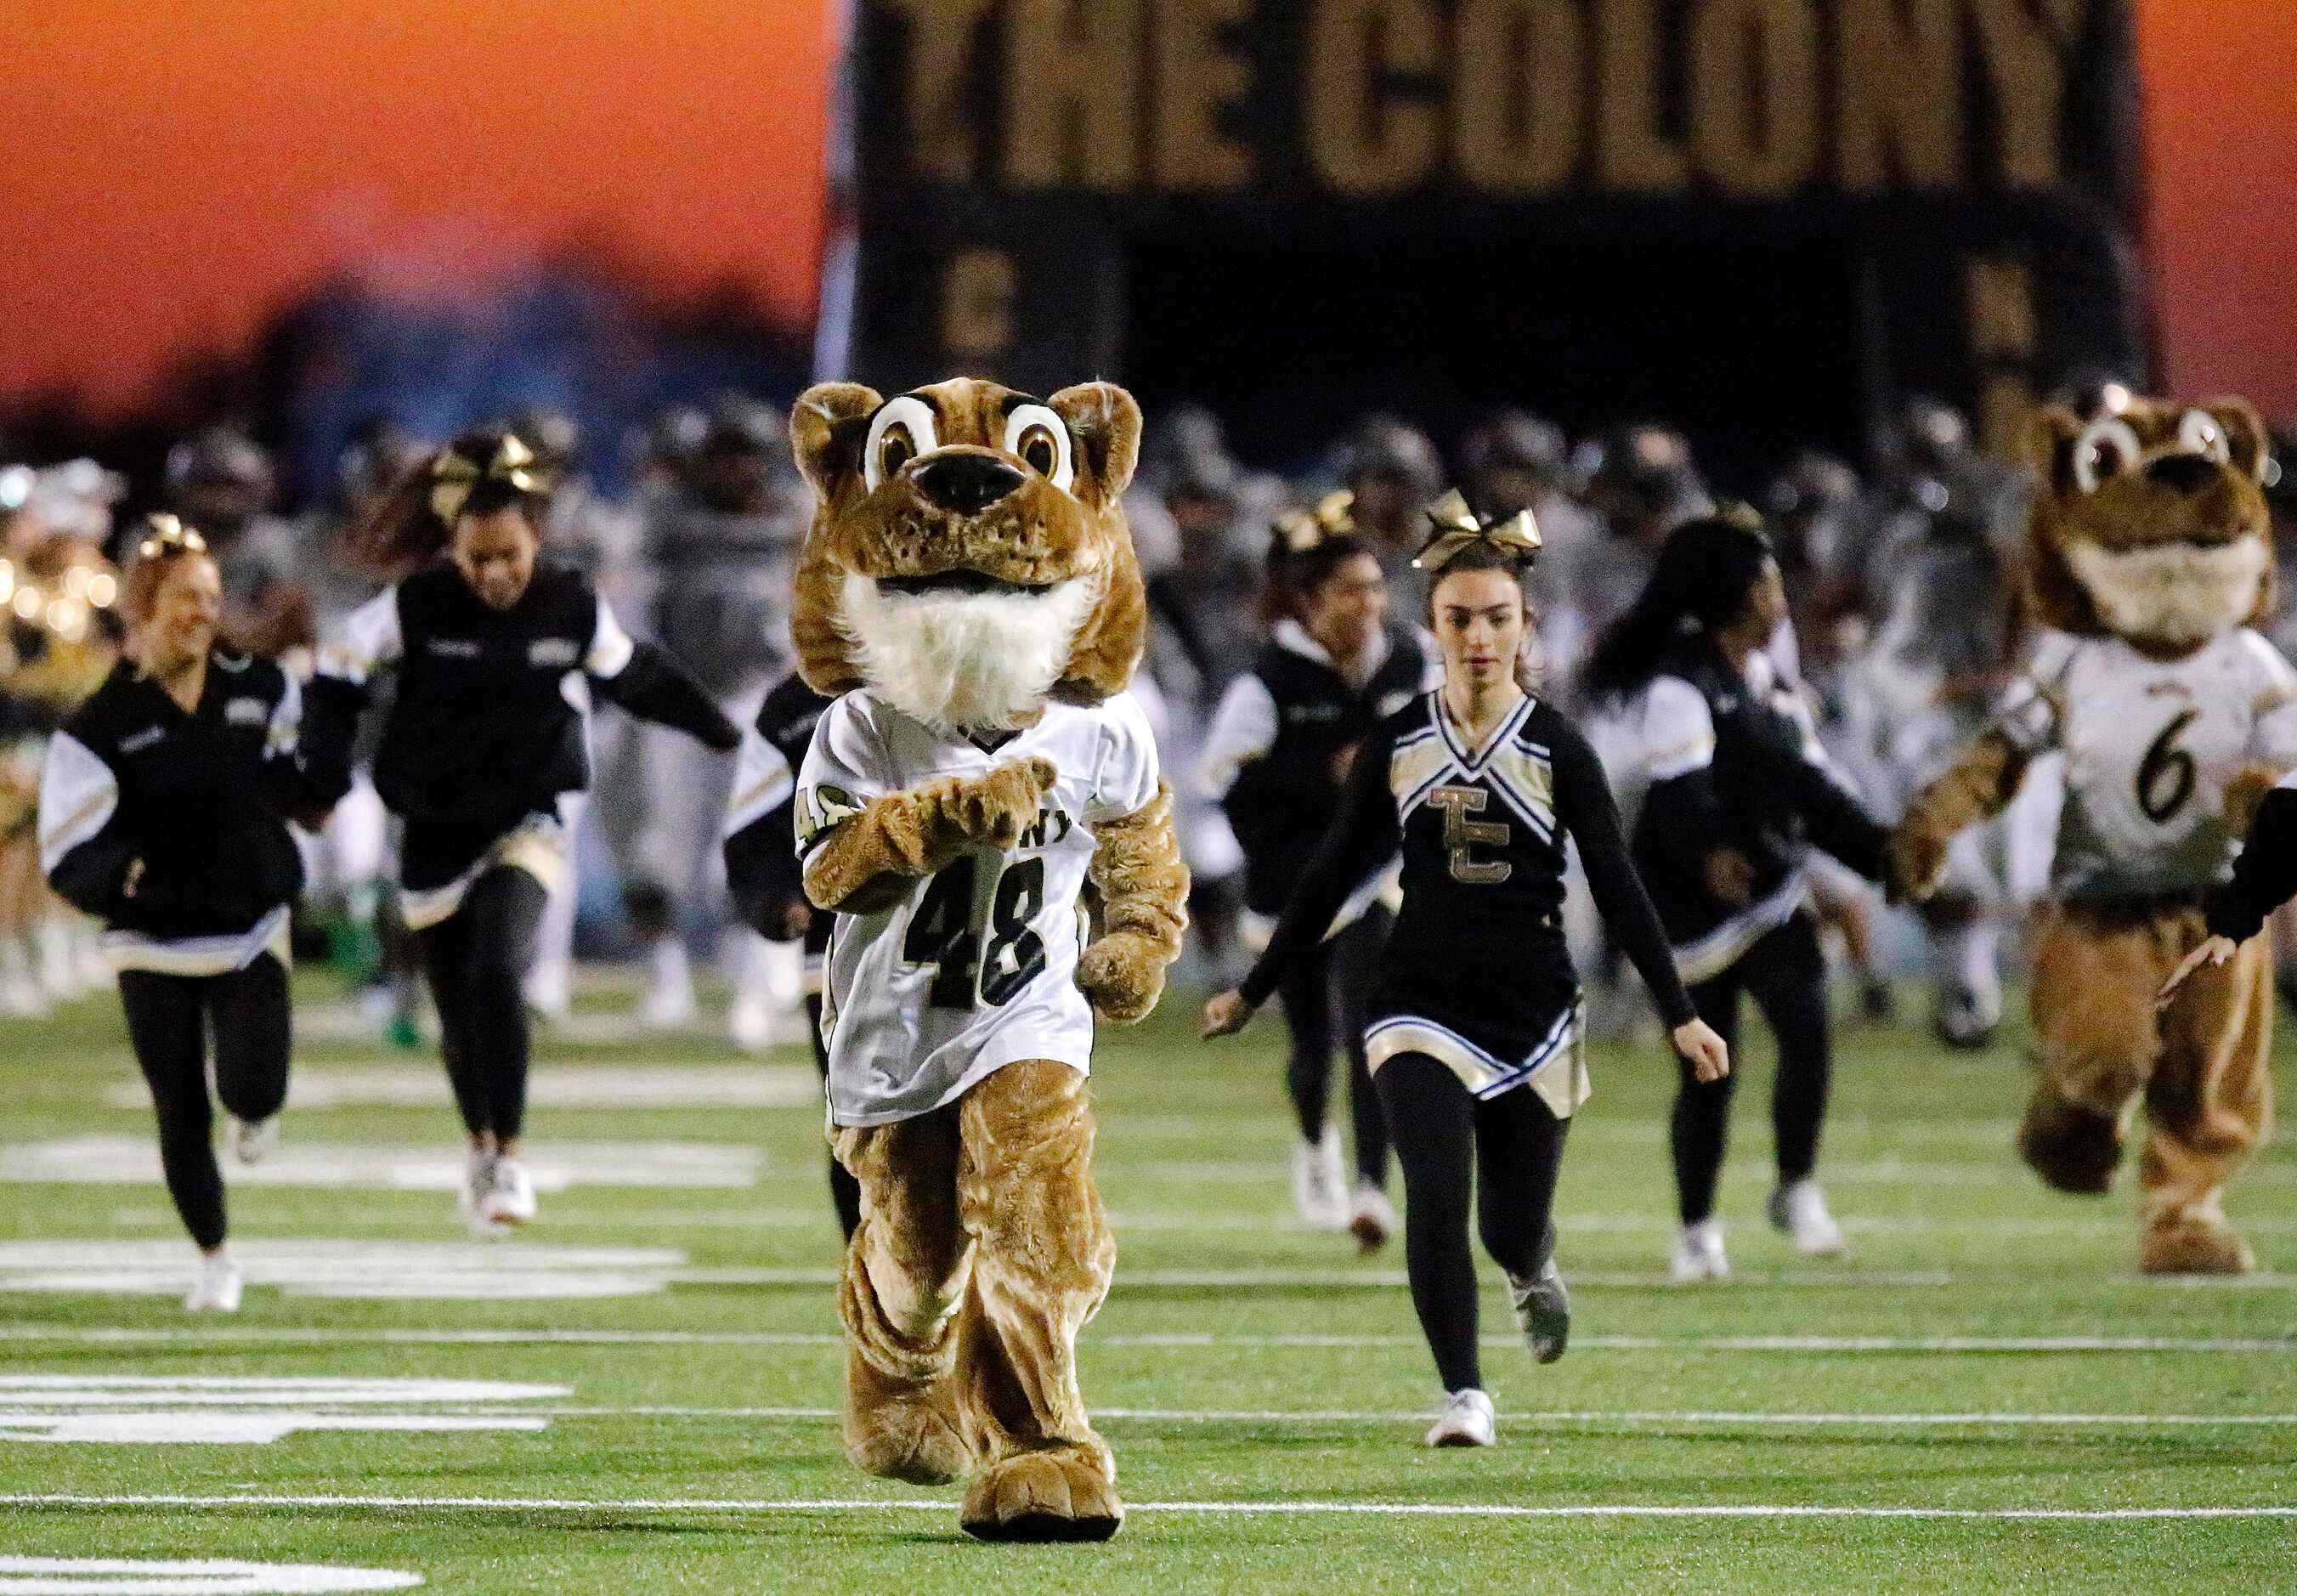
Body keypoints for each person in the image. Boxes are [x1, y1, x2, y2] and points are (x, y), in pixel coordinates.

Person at [1202, 504, 1728, 1449]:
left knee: (1511, 1226)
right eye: (1458, 618)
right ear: (1434, 627)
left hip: (1533, 1007)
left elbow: (1618, 883)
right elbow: (1328, 873)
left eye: (1497, 617)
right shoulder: (1401, 741)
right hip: (1416, 1004)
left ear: (1527, 627)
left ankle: (1533, 1271)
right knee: (1435, 1191)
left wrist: (1680, 1012)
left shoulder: (1558, 747)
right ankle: (1464, 1394)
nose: (1479, 637)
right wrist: (1257, 985)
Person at [306, 429, 738, 1236]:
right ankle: (479, 1149)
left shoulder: (570, 603)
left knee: (498, 973)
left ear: (535, 538)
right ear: (453, 551)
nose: (495, 575)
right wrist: (323, 773)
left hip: (527, 815)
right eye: (478, 560)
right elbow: (334, 677)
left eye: (509, 555)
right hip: (432, 824)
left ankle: (509, 1155)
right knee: (457, 1011)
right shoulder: (412, 607)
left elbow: (635, 671)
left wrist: (715, 728)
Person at [1585, 512, 1892, 1283]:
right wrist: (1713, 849)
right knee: (1707, 1067)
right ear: (1735, 595)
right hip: (1686, 902)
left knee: (1807, 1027)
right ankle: (1695, 1229)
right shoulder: (1678, 686)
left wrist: (1889, 854)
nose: (1777, 597)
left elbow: (1815, 788)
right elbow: (1681, 796)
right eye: (1766, 582)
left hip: (1767, 889)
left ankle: (1795, 1187)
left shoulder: (1769, 680)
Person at [38, 516, 327, 1312]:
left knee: (253, 1089)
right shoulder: (102, 722)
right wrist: (119, 880)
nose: (201, 612)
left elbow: (305, 779)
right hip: (152, 935)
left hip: (246, 922)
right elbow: (66, 848)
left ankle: (256, 1114)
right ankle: (214, 1255)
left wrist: (324, 767)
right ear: (142, 609)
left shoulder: (258, 687)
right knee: (178, 1106)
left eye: (209, 597)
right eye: (183, 599)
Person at [1199, 519, 1436, 1246]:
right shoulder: (1267, 680)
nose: (1366, 603)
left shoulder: (1408, 660)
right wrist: (1320, 776)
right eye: (1347, 591)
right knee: (1312, 1039)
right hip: (1294, 883)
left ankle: (1371, 1186)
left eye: (1373, 587)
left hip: (1374, 872)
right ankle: (1314, 1145)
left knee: (1373, 1023)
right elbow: (1223, 780)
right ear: (1308, 602)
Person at [721, 665, 862, 1240]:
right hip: (837, 939)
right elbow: (754, 823)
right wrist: (774, 897)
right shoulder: (793, 705)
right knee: (853, 1111)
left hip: (949, 939)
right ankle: (870, 1270)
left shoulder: (946, 675)